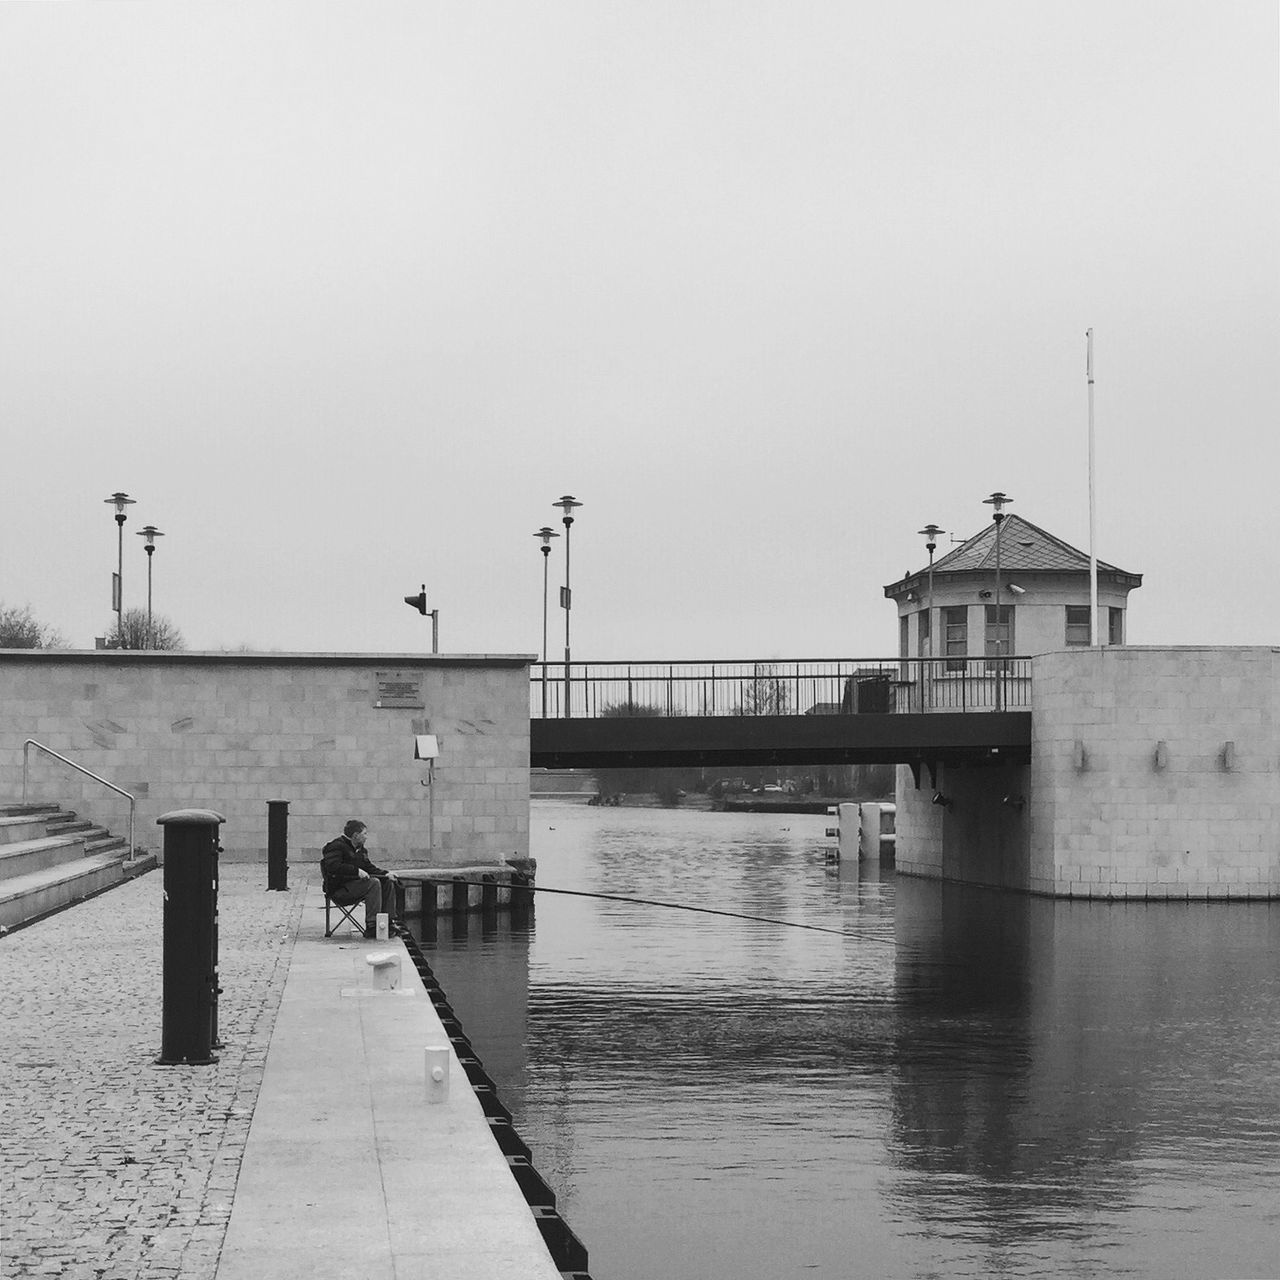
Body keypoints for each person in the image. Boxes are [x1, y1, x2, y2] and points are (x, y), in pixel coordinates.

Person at [321, 819, 398, 938]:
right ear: (356, 836)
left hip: (355, 886)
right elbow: (332, 866)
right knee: (374, 883)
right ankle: (372, 925)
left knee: (386, 882)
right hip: (339, 889)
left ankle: (388, 922)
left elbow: (369, 867)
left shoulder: (361, 850)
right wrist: (356, 871)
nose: (366, 837)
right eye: (365, 834)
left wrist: (385, 873)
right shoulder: (335, 847)